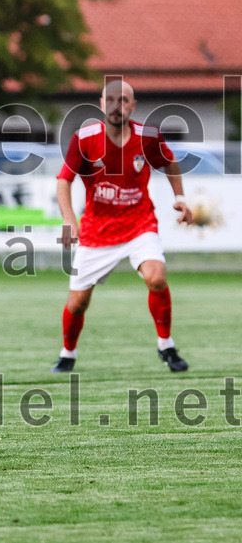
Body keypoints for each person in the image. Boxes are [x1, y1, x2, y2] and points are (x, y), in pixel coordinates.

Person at [52, 79, 194, 373]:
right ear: (102, 104)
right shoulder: (84, 138)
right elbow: (64, 180)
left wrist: (180, 198)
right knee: (77, 303)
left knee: (156, 278)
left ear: (133, 106)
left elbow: (170, 162)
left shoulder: (148, 137)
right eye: (111, 100)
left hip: (139, 223)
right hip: (97, 230)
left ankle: (166, 346)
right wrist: (69, 219)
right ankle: (68, 353)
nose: (117, 106)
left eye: (124, 100)